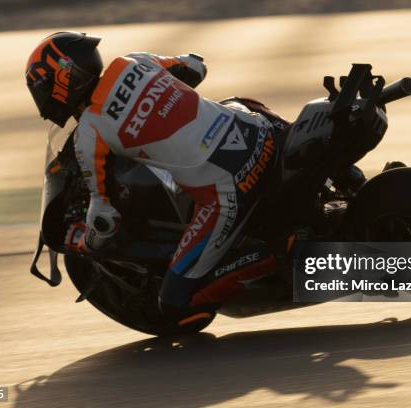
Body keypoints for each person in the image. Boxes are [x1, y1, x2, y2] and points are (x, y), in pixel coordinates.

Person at [25, 31, 287, 326]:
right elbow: (195, 66)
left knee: (176, 304)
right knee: (234, 102)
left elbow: (104, 215)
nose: (42, 98)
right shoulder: (131, 62)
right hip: (261, 133)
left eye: (42, 88)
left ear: (63, 78)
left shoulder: (90, 131)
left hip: (228, 187)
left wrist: (83, 240)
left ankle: (276, 252)